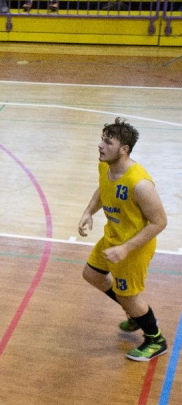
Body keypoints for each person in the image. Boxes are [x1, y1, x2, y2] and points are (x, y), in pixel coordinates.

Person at [78, 118, 168, 361]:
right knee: (92, 274)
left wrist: (126, 248)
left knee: (129, 295)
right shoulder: (105, 166)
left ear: (124, 149)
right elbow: (102, 189)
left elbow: (159, 222)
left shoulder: (140, 184)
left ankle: (155, 340)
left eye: (108, 142)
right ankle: (134, 314)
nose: (100, 145)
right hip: (113, 238)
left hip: (134, 247)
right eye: (102, 139)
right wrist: (88, 211)